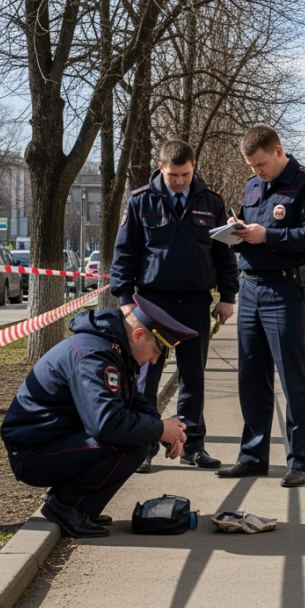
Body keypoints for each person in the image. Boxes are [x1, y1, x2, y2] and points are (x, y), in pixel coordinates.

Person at [1, 295, 197, 538]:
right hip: (33, 455)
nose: (154, 360)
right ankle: (66, 505)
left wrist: (164, 429)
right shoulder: (96, 355)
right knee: (134, 442)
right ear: (137, 335)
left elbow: (134, 400)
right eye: (156, 351)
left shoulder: (113, 347)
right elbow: (106, 424)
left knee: (141, 434)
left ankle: (78, 505)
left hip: (52, 443)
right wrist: (158, 429)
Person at [109, 140, 239, 474]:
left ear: (193, 167)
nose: (179, 181)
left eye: (185, 174)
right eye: (172, 175)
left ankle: (192, 445)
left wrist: (227, 297)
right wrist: (125, 301)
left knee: (193, 378)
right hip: (153, 304)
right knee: (146, 378)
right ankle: (146, 446)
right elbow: (124, 255)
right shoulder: (140, 202)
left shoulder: (211, 201)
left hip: (196, 302)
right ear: (160, 166)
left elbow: (223, 255)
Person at [217, 125, 305, 488]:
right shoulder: (252, 186)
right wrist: (236, 234)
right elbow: (252, 234)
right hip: (252, 288)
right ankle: (252, 456)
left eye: (261, 164)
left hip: (286, 289)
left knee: (294, 378)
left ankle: (299, 460)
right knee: (251, 377)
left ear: (278, 151)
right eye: (251, 166)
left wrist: (269, 235)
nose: (257, 172)